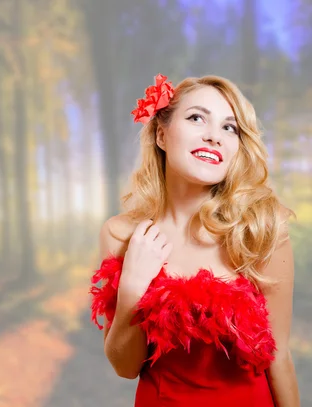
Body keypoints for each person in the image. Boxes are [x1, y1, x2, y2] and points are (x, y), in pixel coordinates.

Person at [89, 74, 300, 406]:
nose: (214, 136)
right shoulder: (120, 235)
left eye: (229, 127)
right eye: (196, 117)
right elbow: (125, 367)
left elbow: (279, 356)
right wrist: (132, 288)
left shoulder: (260, 231)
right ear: (161, 134)